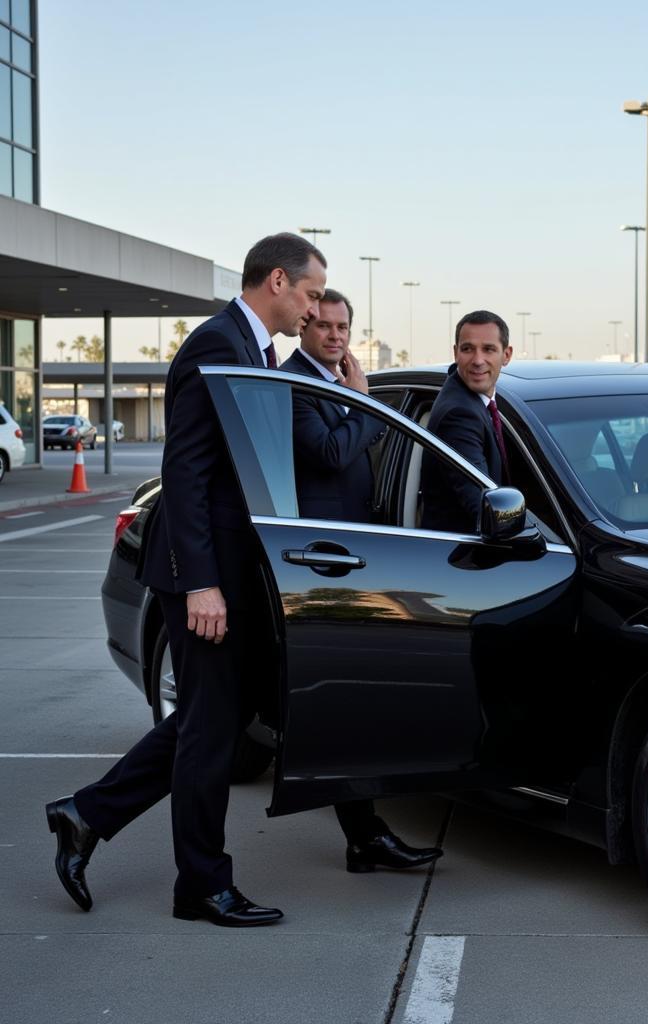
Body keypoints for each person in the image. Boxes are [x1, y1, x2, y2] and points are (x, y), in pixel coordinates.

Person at [45, 232, 326, 927]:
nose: (315, 311)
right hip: (203, 573)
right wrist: (202, 584)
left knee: (216, 719)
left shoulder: (253, 348)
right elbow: (188, 469)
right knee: (209, 731)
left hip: (234, 570)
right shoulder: (216, 344)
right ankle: (200, 885)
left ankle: (85, 814)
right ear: (279, 282)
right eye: (313, 294)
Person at [279, 289, 443, 872]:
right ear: (305, 328)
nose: (335, 335)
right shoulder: (294, 384)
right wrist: (362, 404)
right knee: (337, 704)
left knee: (350, 705)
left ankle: (364, 837)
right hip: (318, 566)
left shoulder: (337, 378)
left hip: (363, 559)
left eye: (343, 326)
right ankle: (365, 835)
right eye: (323, 325)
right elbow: (329, 452)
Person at [421, 310, 512, 533]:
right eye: (467, 349)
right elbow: (484, 504)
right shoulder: (460, 415)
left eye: (488, 349)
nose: (477, 360)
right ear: (455, 353)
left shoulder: (479, 400)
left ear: (506, 355)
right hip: (462, 556)